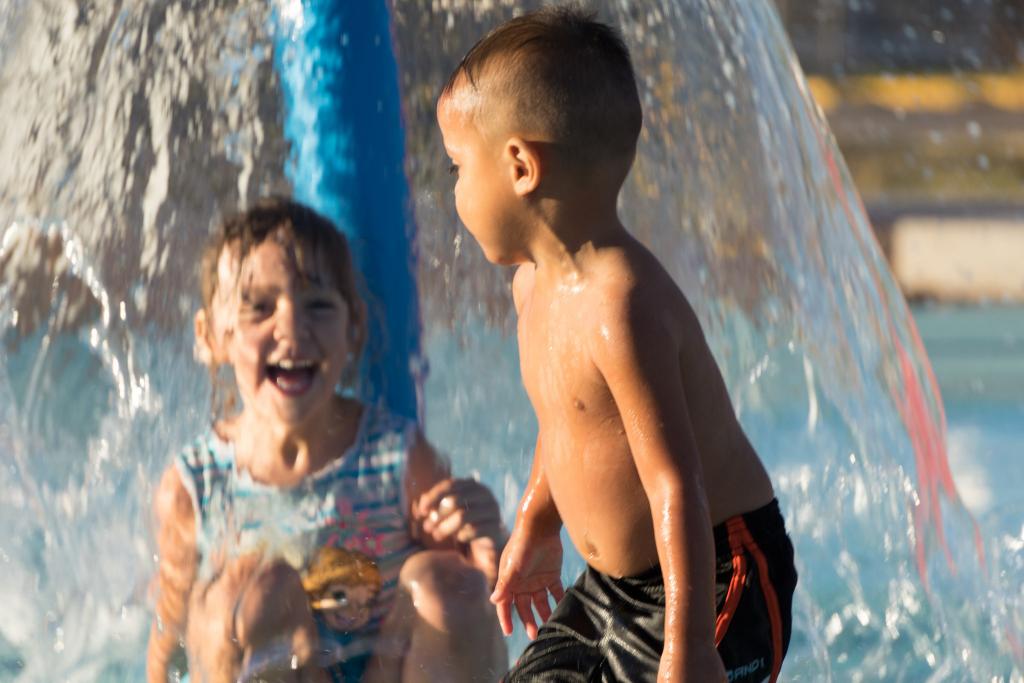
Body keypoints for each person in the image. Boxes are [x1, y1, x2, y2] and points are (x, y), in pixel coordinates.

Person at [436, 6, 798, 683]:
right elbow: (563, 420)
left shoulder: (620, 306)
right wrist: (538, 522)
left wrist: (688, 644)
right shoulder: (531, 288)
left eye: (458, 166)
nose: (452, 189)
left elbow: (675, 483)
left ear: (518, 165)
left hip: (718, 572)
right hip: (613, 585)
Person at [145, 197, 507, 683]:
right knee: (243, 596)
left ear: (353, 328)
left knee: (450, 587)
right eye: (259, 307)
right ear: (212, 336)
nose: (292, 328)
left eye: (318, 305)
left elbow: (477, 607)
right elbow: (170, 636)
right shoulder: (194, 486)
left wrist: (490, 541)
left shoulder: (396, 459)